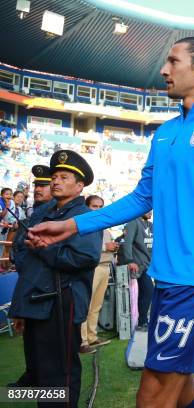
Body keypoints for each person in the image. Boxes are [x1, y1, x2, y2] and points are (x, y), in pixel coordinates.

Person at [27, 36, 194, 408]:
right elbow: (142, 197)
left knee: (153, 394)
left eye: (173, 61)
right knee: (177, 383)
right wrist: (73, 226)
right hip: (168, 279)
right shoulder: (166, 133)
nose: (163, 70)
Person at [10, 150, 102, 407]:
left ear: (80, 185)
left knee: (59, 371)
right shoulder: (43, 211)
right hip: (35, 299)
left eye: (64, 177)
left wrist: (44, 248)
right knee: (39, 368)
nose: (55, 181)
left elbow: (84, 257)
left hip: (60, 301)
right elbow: (20, 246)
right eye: (55, 177)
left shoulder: (85, 215)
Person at [7, 165, 55, 388]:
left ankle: (42, 385)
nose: (38, 189)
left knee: (44, 346)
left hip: (43, 288)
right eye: (36, 185)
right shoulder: (35, 212)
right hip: (28, 283)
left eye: (44, 185)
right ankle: (32, 378)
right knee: (30, 340)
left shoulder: (54, 214)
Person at [79, 195, 118, 354]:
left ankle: (92, 336)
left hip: (104, 267)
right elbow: (83, 247)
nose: (98, 209)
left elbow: (107, 247)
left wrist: (114, 247)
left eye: (100, 206)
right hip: (91, 268)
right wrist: (105, 247)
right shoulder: (84, 225)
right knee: (85, 305)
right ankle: (82, 342)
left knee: (96, 305)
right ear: (87, 207)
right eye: (94, 206)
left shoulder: (105, 228)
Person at [118, 211, 154, 330]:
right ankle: (142, 321)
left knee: (145, 293)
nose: (150, 212)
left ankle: (141, 320)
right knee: (148, 291)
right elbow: (127, 243)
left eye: (151, 210)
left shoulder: (150, 225)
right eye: (147, 210)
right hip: (137, 264)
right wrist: (129, 260)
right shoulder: (133, 222)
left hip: (147, 264)